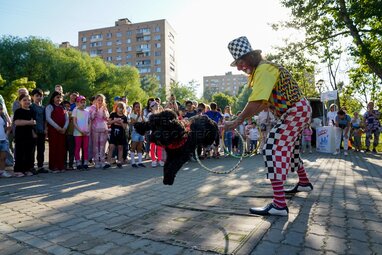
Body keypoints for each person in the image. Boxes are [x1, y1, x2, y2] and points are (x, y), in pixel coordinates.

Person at [225, 36, 313, 216]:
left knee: (272, 148)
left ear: (250, 57)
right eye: (238, 64)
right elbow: (264, 103)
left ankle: (279, 205)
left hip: (295, 111)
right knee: (291, 150)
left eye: (240, 62)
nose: (240, 67)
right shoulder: (263, 70)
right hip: (298, 110)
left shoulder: (264, 70)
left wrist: (237, 121)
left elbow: (256, 101)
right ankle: (304, 182)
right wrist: (244, 117)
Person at [13, 94, 36, 177]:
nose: (27, 102)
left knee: (29, 153)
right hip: (20, 135)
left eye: (29, 100)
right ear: (20, 102)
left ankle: (27, 169)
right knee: (20, 153)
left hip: (29, 134)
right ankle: (18, 170)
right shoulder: (18, 111)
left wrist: (34, 133)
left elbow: (34, 122)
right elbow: (17, 122)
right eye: (24, 100)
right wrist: (28, 122)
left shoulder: (32, 111)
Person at [46, 91, 68, 172]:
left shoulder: (63, 107)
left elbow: (67, 119)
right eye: (57, 97)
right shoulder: (50, 106)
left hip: (62, 131)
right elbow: (48, 118)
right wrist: (57, 127)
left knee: (61, 148)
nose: (59, 99)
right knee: (54, 147)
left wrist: (65, 128)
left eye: (60, 97)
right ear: (53, 98)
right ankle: (53, 166)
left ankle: (60, 166)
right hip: (53, 130)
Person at [105, 101, 128, 169]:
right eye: (119, 108)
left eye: (122, 108)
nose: (120, 109)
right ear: (116, 108)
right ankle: (108, 162)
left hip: (121, 135)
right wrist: (115, 121)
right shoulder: (113, 114)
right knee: (111, 147)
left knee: (120, 148)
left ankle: (119, 162)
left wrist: (121, 122)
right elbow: (108, 123)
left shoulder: (124, 117)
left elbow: (125, 127)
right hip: (113, 134)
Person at [30, 88, 49, 173]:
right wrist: (32, 132)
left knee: (41, 150)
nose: (38, 97)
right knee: (32, 150)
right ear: (32, 97)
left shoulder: (43, 108)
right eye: (36, 96)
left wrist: (45, 129)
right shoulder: (31, 107)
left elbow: (45, 120)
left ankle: (40, 166)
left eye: (40, 96)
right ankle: (31, 167)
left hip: (41, 131)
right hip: (33, 131)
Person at [89, 94, 109, 168]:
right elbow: (91, 117)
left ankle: (102, 161)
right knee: (96, 145)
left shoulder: (105, 108)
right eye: (99, 100)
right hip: (95, 128)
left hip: (103, 128)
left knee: (102, 145)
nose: (100, 101)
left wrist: (104, 113)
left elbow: (107, 118)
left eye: (101, 100)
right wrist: (96, 110)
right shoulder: (92, 107)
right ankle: (96, 161)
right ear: (95, 100)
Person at [72, 96, 90, 170]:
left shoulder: (87, 112)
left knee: (85, 147)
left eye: (84, 102)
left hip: (86, 133)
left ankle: (85, 162)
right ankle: (78, 162)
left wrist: (87, 130)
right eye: (81, 102)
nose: (83, 104)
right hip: (78, 132)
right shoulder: (75, 110)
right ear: (77, 103)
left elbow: (89, 122)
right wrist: (80, 130)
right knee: (77, 147)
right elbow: (74, 122)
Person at [147, 101, 165, 167]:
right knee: (152, 147)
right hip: (153, 133)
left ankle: (160, 160)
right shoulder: (150, 115)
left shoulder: (161, 114)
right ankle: (154, 160)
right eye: (155, 105)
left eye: (157, 105)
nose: (157, 106)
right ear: (151, 107)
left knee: (159, 147)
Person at [130, 102, 146, 168]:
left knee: (140, 147)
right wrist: (138, 116)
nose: (138, 108)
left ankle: (140, 162)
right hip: (135, 132)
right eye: (136, 107)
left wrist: (141, 116)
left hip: (141, 132)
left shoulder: (142, 115)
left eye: (139, 107)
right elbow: (133, 122)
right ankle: (133, 162)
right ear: (133, 108)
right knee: (133, 147)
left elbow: (144, 122)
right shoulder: (132, 114)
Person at [0, 104, 12, 177]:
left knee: (3, 157)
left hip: (3, 140)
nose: (0, 110)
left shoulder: (2, 118)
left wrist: (8, 130)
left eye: (1, 109)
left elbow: (3, 129)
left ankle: (2, 171)